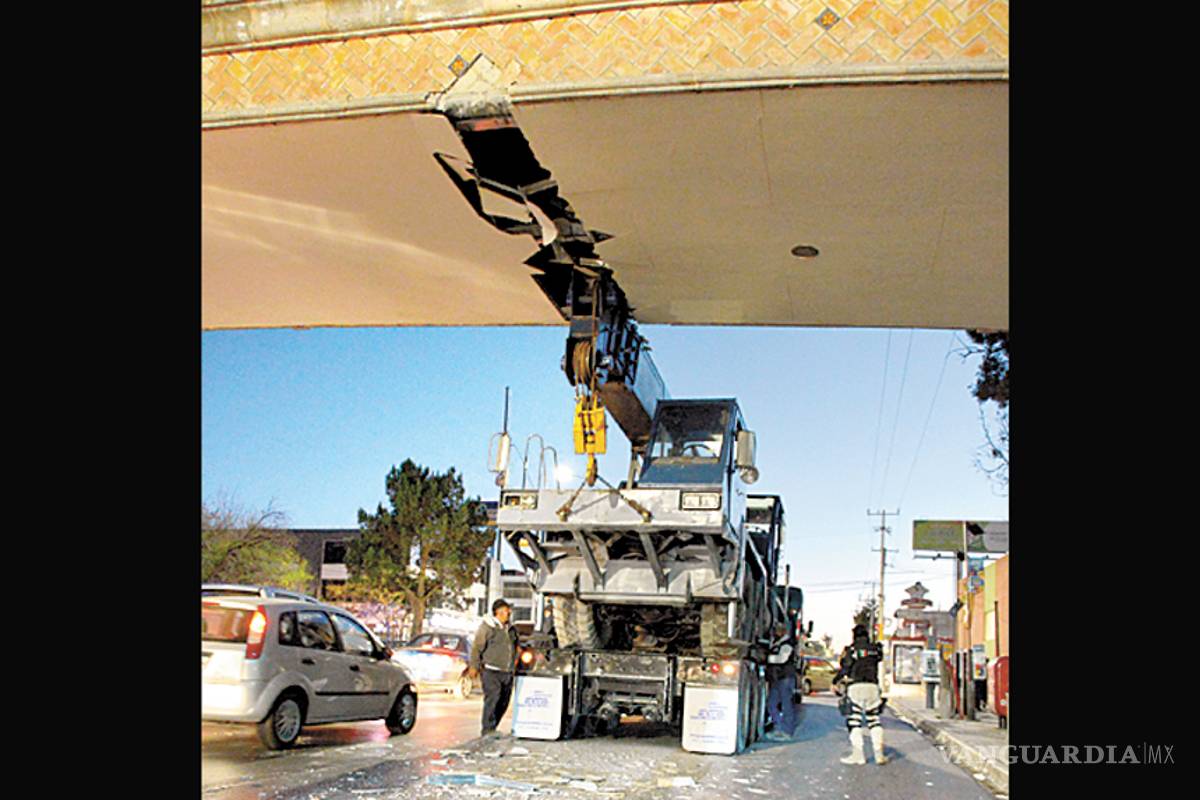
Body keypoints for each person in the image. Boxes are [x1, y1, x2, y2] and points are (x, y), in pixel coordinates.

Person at [833, 624, 887, 765]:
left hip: (856, 687)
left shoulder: (851, 650)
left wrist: (835, 681)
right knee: (874, 720)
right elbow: (879, 657)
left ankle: (858, 755)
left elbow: (845, 667)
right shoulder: (876, 649)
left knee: (854, 721)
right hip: (873, 687)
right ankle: (879, 753)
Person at [466, 599, 520, 738]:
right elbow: (477, 647)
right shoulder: (487, 628)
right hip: (491, 670)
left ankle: (494, 726)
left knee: (504, 701)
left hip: (507, 671)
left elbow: (515, 647)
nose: (507, 614)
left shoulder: (511, 629)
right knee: (493, 698)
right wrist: (474, 666)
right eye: (504, 611)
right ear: (497, 612)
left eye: (508, 611)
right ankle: (487, 729)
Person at [764, 622, 797, 740]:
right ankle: (778, 728)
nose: (775, 632)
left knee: (786, 705)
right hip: (777, 678)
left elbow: (782, 659)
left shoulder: (788, 644)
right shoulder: (777, 643)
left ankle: (787, 732)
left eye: (777, 630)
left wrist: (766, 658)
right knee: (771, 704)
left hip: (785, 678)